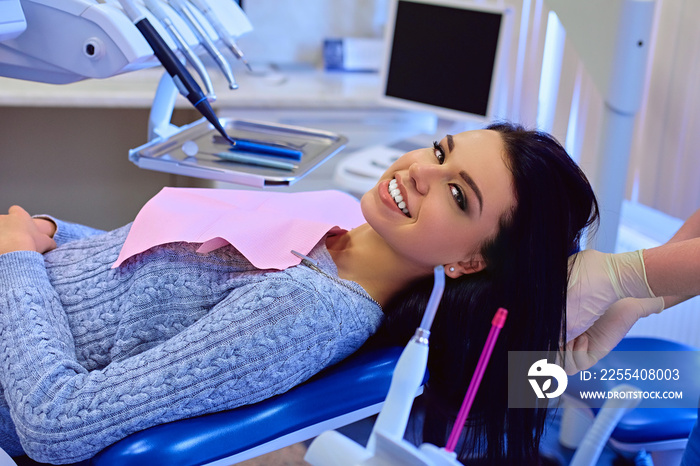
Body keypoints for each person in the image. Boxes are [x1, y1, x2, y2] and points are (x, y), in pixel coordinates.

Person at [0, 122, 599, 465]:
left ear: (469, 261)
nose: (422, 170)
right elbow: (145, 261)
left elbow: (58, 421)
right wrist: (54, 232)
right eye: (441, 152)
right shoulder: (333, 220)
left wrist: (17, 257)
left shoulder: (307, 310)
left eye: (458, 194)